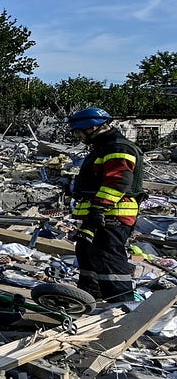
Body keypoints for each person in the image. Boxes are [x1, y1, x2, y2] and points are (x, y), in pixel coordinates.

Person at [67, 108, 143, 303]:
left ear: (92, 127)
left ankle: (121, 307)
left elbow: (117, 182)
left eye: (79, 131)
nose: (78, 136)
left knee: (109, 261)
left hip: (112, 214)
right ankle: (90, 301)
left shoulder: (117, 148)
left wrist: (97, 209)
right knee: (87, 255)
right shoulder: (103, 148)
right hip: (100, 215)